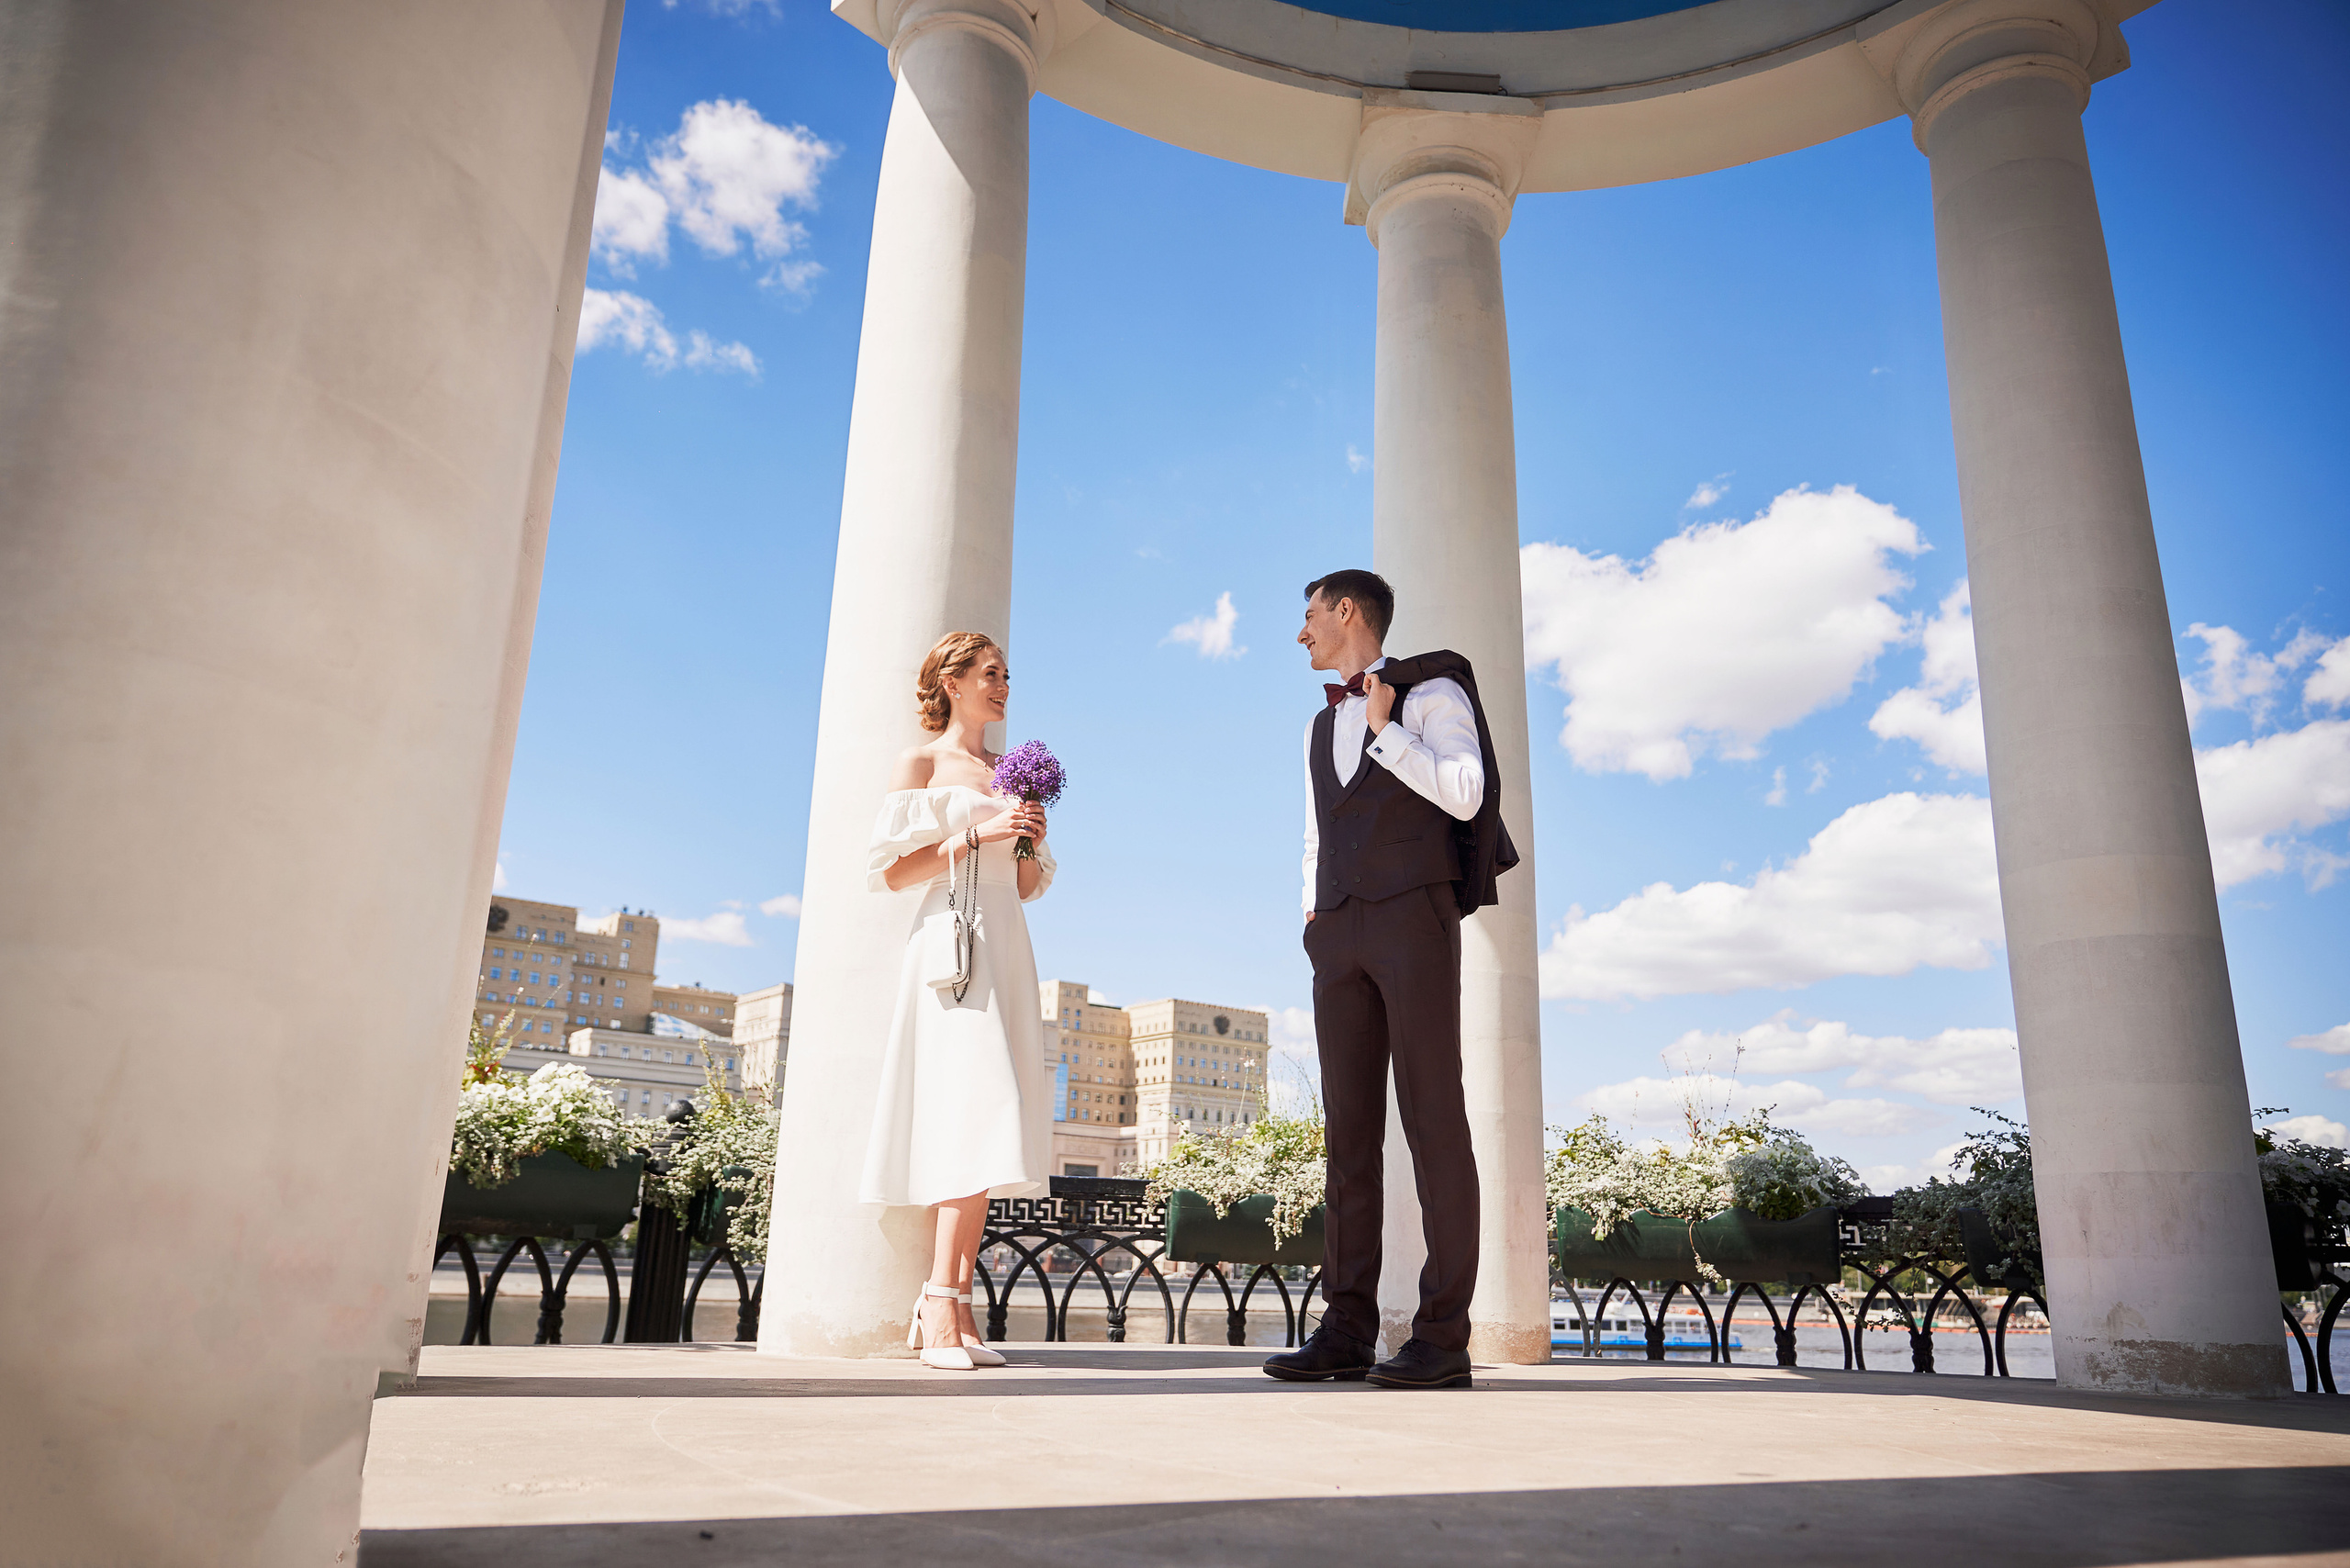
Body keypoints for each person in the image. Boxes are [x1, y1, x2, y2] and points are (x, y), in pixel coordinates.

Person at [1263, 569, 1516, 1391]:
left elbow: (1468, 793)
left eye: (1308, 617)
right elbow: (1315, 834)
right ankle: (1345, 1329)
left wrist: (1387, 731)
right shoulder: (1314, 725)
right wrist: (1312, 919)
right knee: (1348, 1134)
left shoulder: (1430, 689)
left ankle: (1443, 1340)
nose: (1301, 634)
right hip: (1337, 932)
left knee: (1435, 1122)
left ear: (1346, 613)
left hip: (1414, 918)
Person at [859, 631, 1054, 1371]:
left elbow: (1029, 886)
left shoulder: (1013, 773)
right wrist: (977, 832)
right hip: (949, 943)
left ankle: (955, 1303)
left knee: (989, 1115)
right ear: (952, 680)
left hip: (1005, 940)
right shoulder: (922, 764)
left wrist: (1028, 834)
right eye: (990, 672)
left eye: (1007, 672)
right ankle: (940, 1301)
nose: (1003, 684)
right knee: (964, 1114)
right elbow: (894, 874)